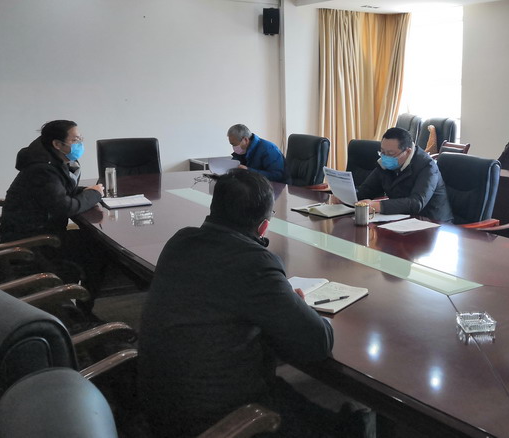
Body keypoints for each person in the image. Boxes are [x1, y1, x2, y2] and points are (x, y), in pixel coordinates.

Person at [138, 169, 373, 438]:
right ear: (263, 226)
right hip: (217, 420)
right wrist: (299, 307)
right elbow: (318, 342)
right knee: (346, 429)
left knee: (302, 403)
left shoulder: (179, 241)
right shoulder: (254, 263)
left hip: (159, 403)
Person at [0, 120, 105, 308]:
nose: (80, 144)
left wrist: (86, 192)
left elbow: (58, 193)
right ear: (57, 144)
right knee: (98, 249)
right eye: (76, 140)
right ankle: (80, 312)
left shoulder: (52, 159)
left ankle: (80, 307)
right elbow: (65, 207)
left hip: (39, 230)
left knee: (93, 244)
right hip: (33, 240)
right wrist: (94, 195)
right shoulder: (42, 169)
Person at [354, 127, 453, 222]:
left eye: (391, 154)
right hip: (402, 219)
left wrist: (377, 206)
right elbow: (367, 190)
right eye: (382, 152)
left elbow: (416, 203)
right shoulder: (384, 164)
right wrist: (348, 196)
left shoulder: (427, 166)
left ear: (408, 151)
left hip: (434, 222)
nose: (385, 157)